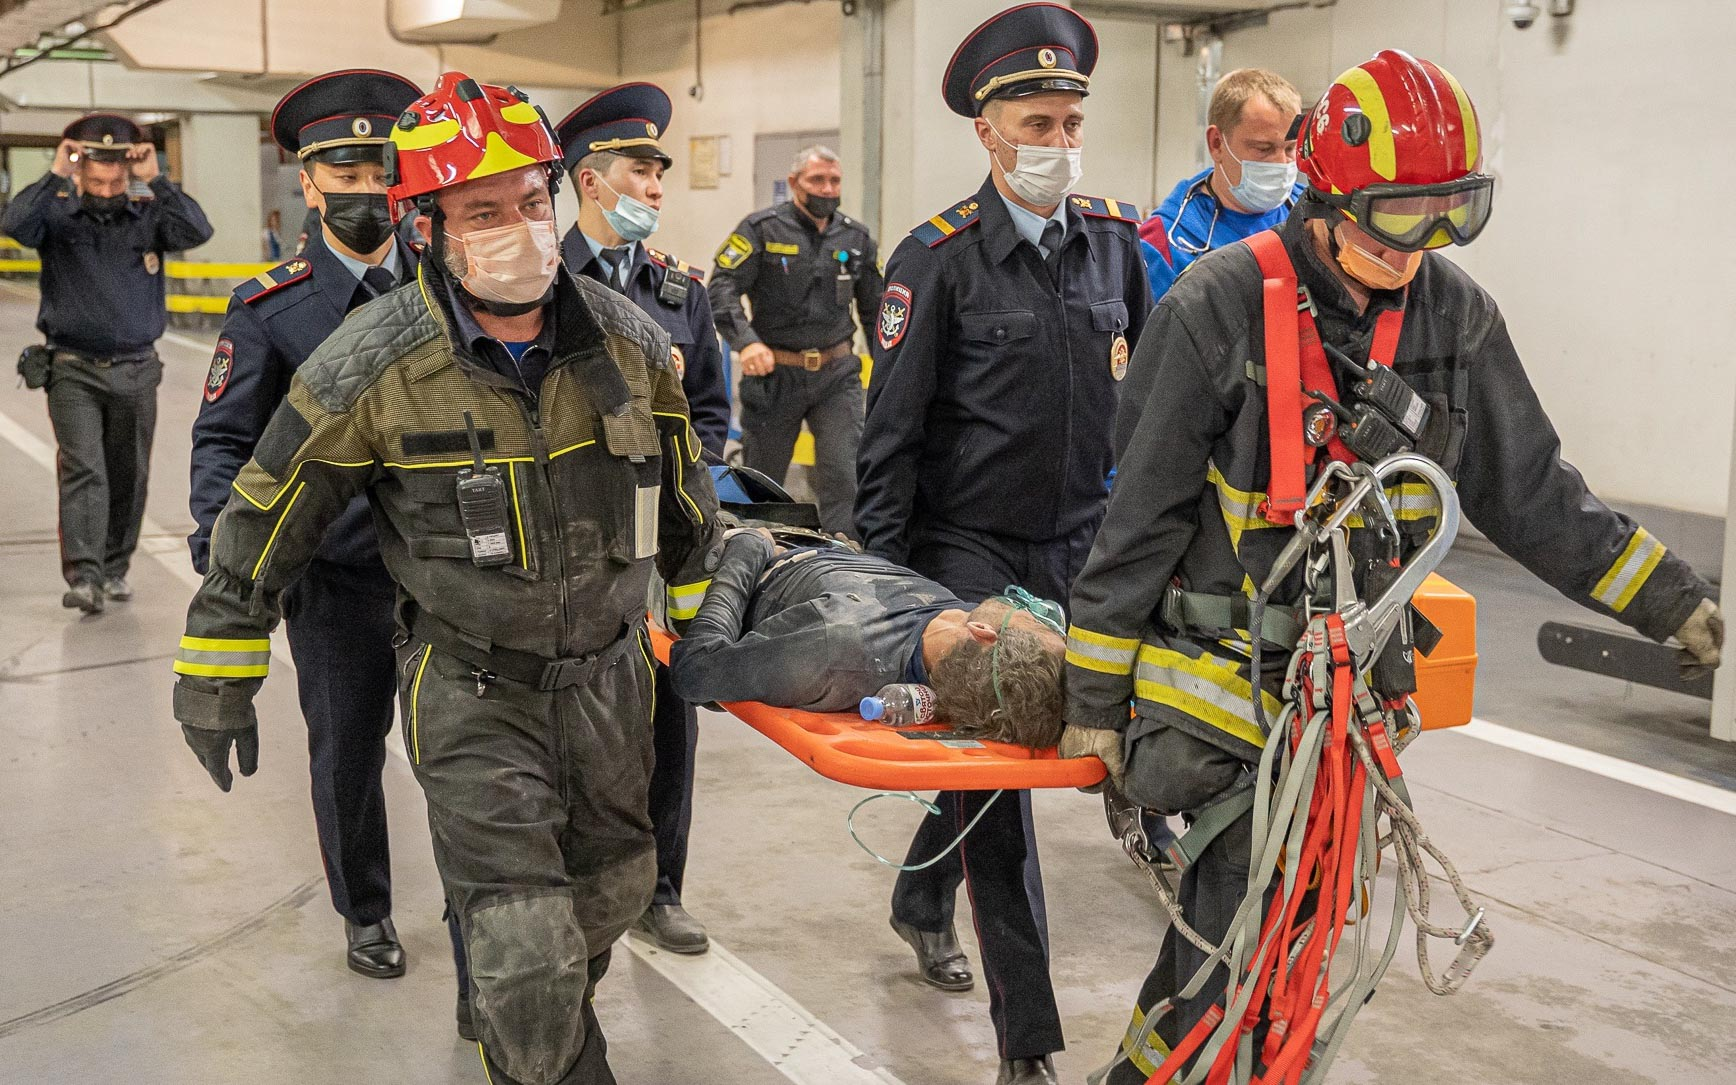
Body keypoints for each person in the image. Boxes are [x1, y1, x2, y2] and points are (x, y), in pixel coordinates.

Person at [1059, 50, 1725, 1083]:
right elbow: (1136, 519)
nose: (1421, 245)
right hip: (1219, 693)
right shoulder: (1215, 306)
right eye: (1398, 217)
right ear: (1325, 198)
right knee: (1236, 931)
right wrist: (1094, 697)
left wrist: (1674, 602)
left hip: (1347, 706)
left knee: (1303, 935)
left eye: (1449, 214)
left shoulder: (1454, 316)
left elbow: (1533, 490)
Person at [169, 72, 723, 1085]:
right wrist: (216, 670)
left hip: (610, 688)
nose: (520, 229)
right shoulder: (371, 365)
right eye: (483, 212)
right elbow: (266, 511)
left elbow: (686, 511)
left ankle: (529, 1020)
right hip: (473, 689)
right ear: (427, 226)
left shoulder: (631, 343)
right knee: (525, 952)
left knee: (607, 893)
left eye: (531, 201)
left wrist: (714, 640)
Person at [852, 6, 1152, 1083]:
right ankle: (1027, 1039)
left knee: (1020, 757)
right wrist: (887, 594)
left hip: (1080, 548)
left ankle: (918, 894)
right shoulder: (934, 261)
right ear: (987, 133)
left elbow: (1152, 408)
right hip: (966, 552)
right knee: (1005, 778)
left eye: (1071, 122)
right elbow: (888, 440)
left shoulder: (1116, 245)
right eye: (1036, 123)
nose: (1058, 143)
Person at [187, 69, 439, 993]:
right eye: (345, 172)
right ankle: (365, 908)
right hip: (335, 578)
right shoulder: (271, 308)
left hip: (447, 573)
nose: (367, 190)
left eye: (382, 172)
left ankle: (477, 903)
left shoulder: (448, 288)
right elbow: (224, 442)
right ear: (309, 182)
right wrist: (230, 569)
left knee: (464, 747)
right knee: (347, 750)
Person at [555, 81, 731, 957]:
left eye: (660, 171)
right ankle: (566, 884)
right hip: (570, 549)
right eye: (639, 170)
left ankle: (663, 889)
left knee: (669, 720)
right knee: (574, 726)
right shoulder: (541, 286)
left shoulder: (678, 291)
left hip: (658, 549)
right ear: (590, 179)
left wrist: (687, 504)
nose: (656, 186)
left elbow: (710, 412)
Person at [3, 113, 212, 613]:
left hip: (136, 368)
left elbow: (197, 229)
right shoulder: (56, 219)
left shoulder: (149, 219)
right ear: (80, 172)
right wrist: (56, 170)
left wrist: (156, 178)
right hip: (71, 368)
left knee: (128, 474)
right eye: (96, 182)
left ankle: (115, 568)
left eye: (115, 182)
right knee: (84, 470)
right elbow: (14, 223)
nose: (106, 190)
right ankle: (85, 577)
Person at [669, 527, 1064, 748]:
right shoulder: (954, 627)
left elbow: (696, 672)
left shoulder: (836, 654)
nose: (1036, 611)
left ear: (985, 635)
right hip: (808, 541)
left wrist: (746, 551)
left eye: (1039, 623)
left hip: (735, 551)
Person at [708, 145, 881, 537]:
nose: (827, 189)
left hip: (837, 375)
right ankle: (757, 550)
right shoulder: (761, 229)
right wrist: (746, 342)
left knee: (845, 474)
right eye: (817, 180)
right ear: (794, 183)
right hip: (775, 376)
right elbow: (721, 287)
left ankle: (847, 554)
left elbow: (876, 312)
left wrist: (888, 371)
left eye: (834, 180)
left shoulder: (855, 237)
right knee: (762, 479)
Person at [1139, 68, 1304, 303]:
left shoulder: (1316, 217)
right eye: (1263, 149)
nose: (1282, 163)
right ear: (1217, 144)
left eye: (1290, 148)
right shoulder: (1165, 242)